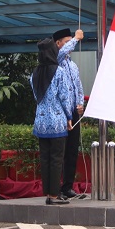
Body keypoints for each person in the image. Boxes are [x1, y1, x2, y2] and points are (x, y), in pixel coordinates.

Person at [30, 37, 74, 205]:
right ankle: (54, 195)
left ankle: (48, 193)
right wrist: (69, 117)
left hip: (40, 122)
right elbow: (64, 97)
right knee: (57, 159)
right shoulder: (58, 72)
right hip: (57, 121)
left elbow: (36, 96)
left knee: (45, 159)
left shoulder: (34, 74)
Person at [53, 28, 86, 200]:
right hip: (61, 111)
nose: (69, 46)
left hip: (73, 110)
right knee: (61, 150)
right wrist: (76, 38)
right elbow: (63, 51)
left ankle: (67, 186)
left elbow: (78, 86)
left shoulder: (72, 65)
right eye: (65, 42)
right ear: (58, 44)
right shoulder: (56, 60)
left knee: (72, 150)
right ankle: (56, 188)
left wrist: (80, 103)